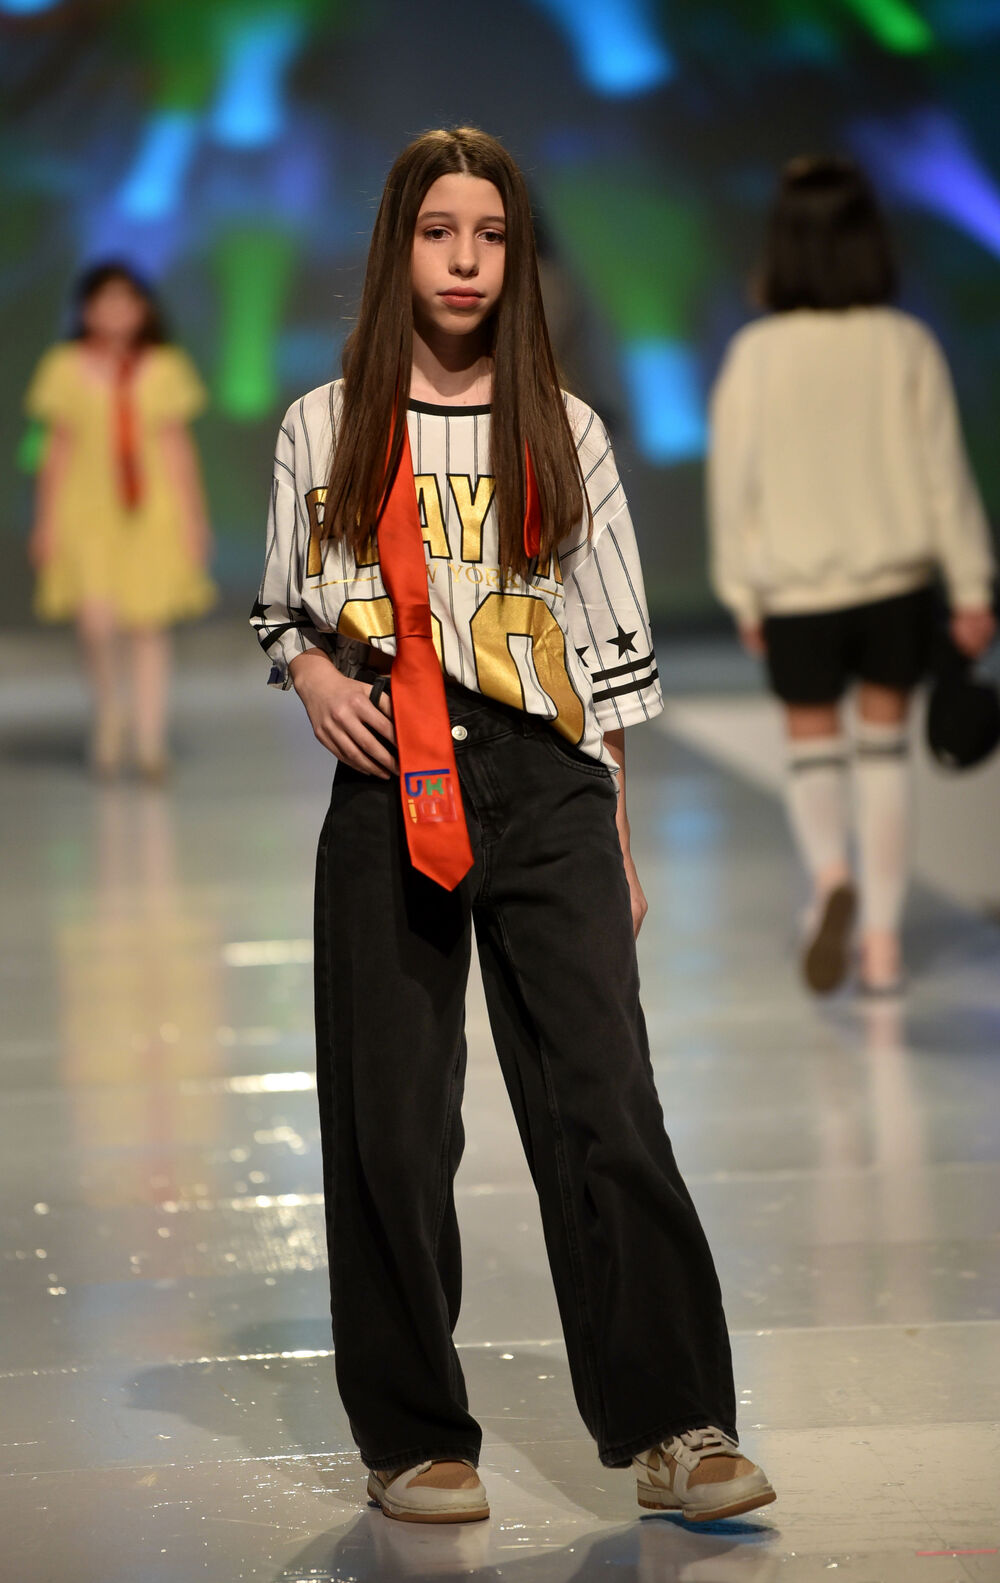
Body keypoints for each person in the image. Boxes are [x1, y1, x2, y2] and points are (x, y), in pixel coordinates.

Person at [251, 126, 775, 1526]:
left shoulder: (564, 427)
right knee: (393, 1120)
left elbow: (606, 661)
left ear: (517, 255)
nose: (466, 260)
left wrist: (618, 837)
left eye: (490, 235)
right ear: (398, 247)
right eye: (440, 232)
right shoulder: (325, 422)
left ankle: (676, 1422)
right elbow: (286, 606)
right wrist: (313, 676)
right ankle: (412, 1433)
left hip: (549, 785)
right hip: (392, 780)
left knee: (606, 1096)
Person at [708, 157, 996, 995]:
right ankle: (881, 944)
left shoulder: (756, 354)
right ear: (871, 239)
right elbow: (945, 478)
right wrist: (972, 587)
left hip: (796, 591)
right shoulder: (905, 344)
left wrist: (741, 591)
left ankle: (832, 878)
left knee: (814, 755)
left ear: (782, 243)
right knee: (883, 757)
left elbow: (732, 483)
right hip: (895, 588)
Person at [26, 261, 215, 780]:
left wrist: (194, 519)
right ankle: (110, 713)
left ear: (142, 309)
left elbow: (177, 447)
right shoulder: (64, 367)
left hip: (152, 513)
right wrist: (44, 521)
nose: (114, 311)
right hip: (84, 512)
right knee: (95, 622)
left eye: (125, 300)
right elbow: (56, 450)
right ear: (85, 310)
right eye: (103, 300)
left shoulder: (165, 366)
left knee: (149, 626)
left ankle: (150, 739)